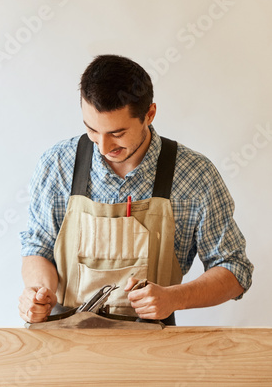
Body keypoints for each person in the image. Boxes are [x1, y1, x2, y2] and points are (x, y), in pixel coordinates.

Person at [18, 54, 253, 325]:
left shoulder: (195, 175)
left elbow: (235, 270)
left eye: (117, 133)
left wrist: (173, 298)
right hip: (63, 336)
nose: (103, 148)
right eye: (92, 130)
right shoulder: (57, 164)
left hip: (151, 347)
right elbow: (38, 248)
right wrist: (38, 293)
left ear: (149, 114)